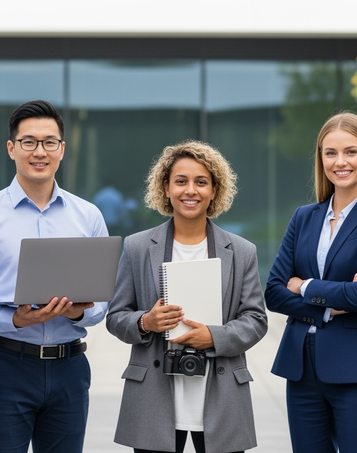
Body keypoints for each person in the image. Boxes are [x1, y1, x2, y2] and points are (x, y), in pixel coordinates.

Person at [0, 100, 108, 453]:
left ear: (62, 149)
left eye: (49, 142)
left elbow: (102, 302)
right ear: (11, 148)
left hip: (70, 368)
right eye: (29, 142)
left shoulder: (88, 216)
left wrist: (77, 311)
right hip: (8, 366)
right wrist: (16, 319)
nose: (39, 151)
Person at [106, 140, 268, 453]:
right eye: (181, 181)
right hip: (154, 399)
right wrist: (146, 322)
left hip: (221, 397)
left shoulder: (242, 251)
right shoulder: (138, 247)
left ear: (215, 190)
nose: (190, 190)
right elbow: (116, 317)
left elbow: (256, 320)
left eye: (201, 182)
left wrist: (214, 336)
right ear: (166, 188)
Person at [265, 112, 357, 452]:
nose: (340, 162)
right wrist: (328, 308)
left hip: (356, 369)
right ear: (321, 158)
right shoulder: (304, 217)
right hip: (301, 368)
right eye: (331, 153)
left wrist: (304, 286)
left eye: (351, 151)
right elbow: (273, 292)